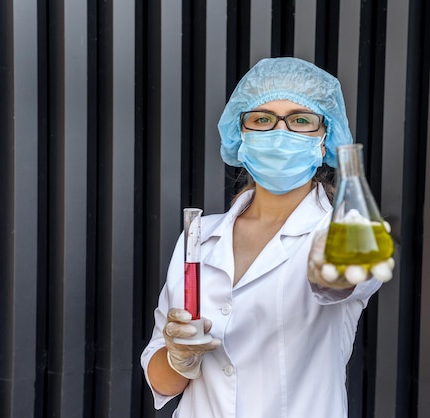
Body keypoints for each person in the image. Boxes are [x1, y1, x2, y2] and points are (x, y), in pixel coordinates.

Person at [140, 57, 392, 418]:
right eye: (262, 120)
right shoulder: (199, 237)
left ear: (325, 139)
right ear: (240, 135)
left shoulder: (340, 232)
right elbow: (162, 384)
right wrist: (178, 357)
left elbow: (342, 279)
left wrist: (339, 268)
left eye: (300, 120)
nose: (279, 132)